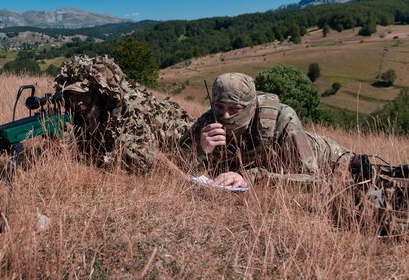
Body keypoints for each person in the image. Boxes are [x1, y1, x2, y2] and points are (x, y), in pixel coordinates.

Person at [179, 72, 353, 188]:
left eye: (234, 109)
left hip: (334, 161)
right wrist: (200, 150)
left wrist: (251, 177)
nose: (225, 115)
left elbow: (311, 178)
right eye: (219, 106)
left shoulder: (282, 118)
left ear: (250, 106)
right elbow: (174, 164)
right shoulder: (211, 120)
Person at [55, 55, 192, 174]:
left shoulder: (126, 116)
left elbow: (144, 162)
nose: (78, 102)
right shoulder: (83, 115)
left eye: (84, 95)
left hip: (174, 125)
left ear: (98, 93)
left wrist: (98, 159)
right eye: (73, 96)